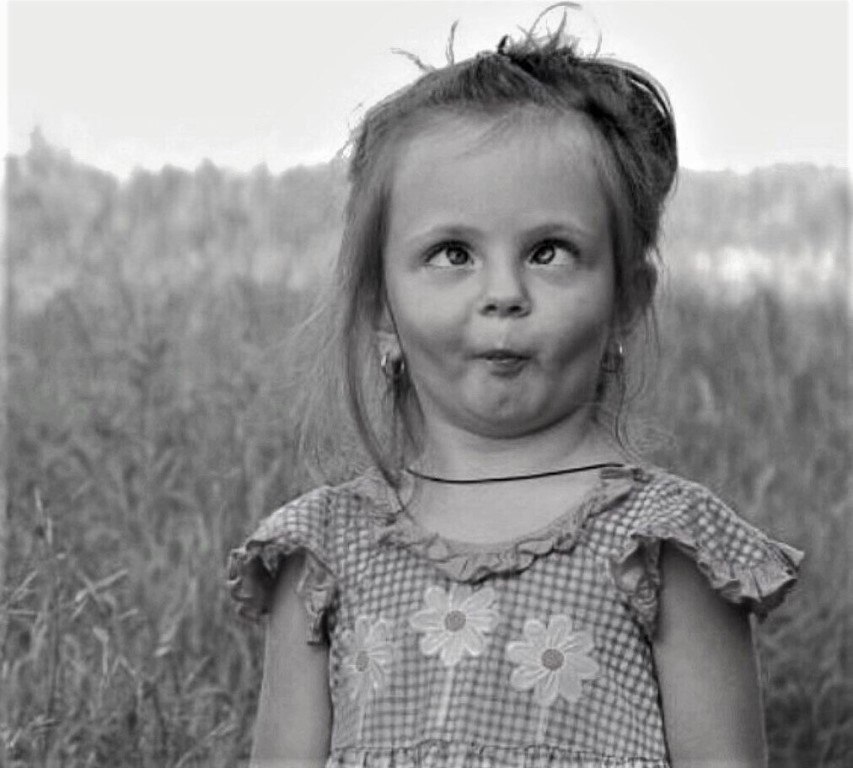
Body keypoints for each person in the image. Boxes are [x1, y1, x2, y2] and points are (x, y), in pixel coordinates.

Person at [227, 8, 803, 767]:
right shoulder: (324, 551)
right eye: (452, 253)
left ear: (625, 300)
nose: (503, 293)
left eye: (548, 252)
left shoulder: (663, 546)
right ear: (380, 308)